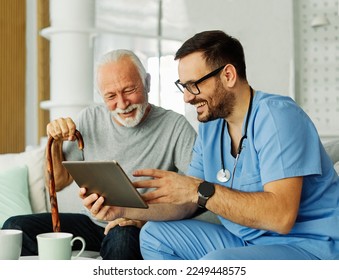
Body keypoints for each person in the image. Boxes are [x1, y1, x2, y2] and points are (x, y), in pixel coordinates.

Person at [84, 30, 339, 260]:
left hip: (307, 246)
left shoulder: (278, 117)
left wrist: (198, 189)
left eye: (194, 85)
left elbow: (281, 217)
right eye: (183, 87)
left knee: (217, 265)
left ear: (228, 75)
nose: (186, 97)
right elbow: (187, 202)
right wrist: (121, 209)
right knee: (154, 236)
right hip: (246, 239)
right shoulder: (211, 126)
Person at [2, 49, 197, 260]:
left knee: (122, 236)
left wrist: (143, 218)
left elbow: (197, 196)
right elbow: (57, 183)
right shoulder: (89, 118)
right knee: (14, 227)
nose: (122, 104)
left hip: (138, 225)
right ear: (101, 96)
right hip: (93, 223)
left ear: (147, 83)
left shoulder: (175, 126)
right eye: (111, 96)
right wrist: (56, 142)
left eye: (130, 90)